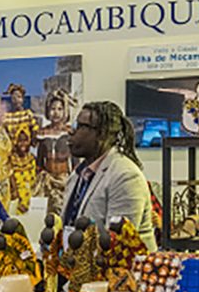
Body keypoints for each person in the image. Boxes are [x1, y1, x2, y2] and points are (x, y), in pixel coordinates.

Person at [63, 101, 157, 251]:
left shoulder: (125, 176)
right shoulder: (77, 175)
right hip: (80, 264)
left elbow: (117, 246)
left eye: (80, 126)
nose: (71, 132)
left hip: (120, 265)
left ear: (102, 134)